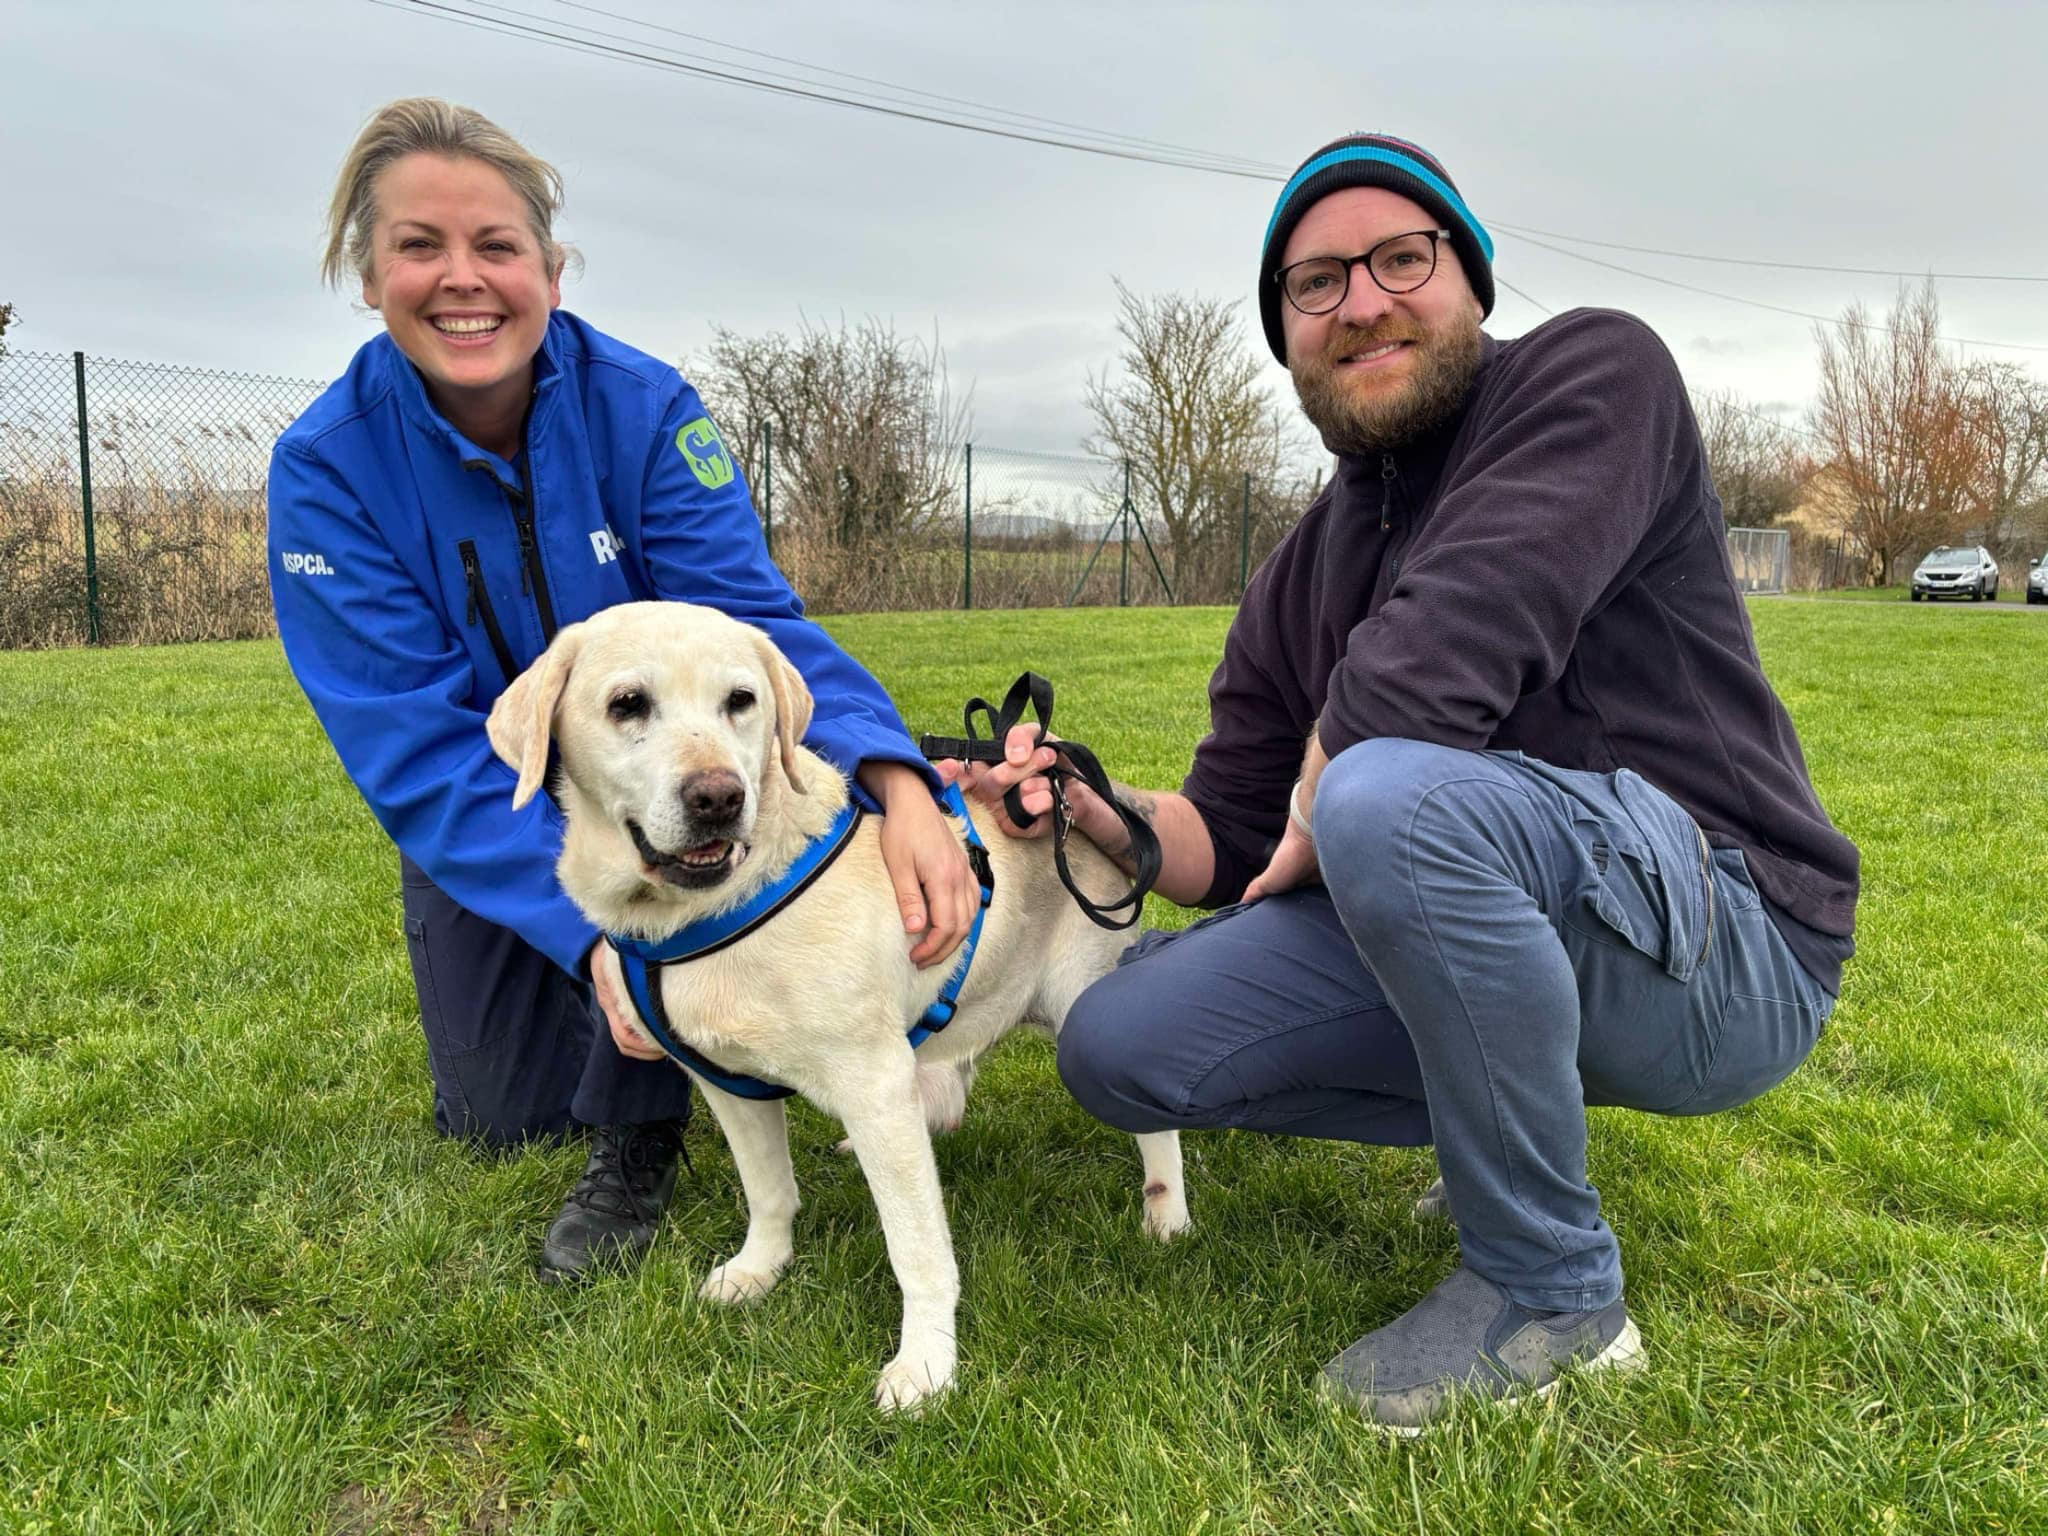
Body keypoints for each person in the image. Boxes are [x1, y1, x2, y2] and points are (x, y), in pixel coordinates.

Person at [941, 133, 1858, 1433]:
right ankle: (1505, 1133)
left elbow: (1454, 646)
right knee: (1119, 1039)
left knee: (1386, 797)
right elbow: (1233, 829)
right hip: (1499, 905)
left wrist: (1334, 782)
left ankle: (1554, 1292)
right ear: (1289, 335)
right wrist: (1099, 809)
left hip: (1736, 939)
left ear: (1470, 280)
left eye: (1400, 258)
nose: (1361, 300)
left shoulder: (1596, 375)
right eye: (1316, 283)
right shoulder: (1303, 567)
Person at [268, 98, 974, 1283]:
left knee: (687, 930)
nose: (463, 281)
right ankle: (661, 1014)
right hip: (502, 788)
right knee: (503, 1114)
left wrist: (893, 772)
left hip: (676, 771)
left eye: (496, 246)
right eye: (418, 247)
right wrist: (584, 939)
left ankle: (657, 1117)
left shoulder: (642, 411)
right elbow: (416, 752)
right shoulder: (325, 469)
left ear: (550, 265)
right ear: (365, 269)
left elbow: (757, 628)